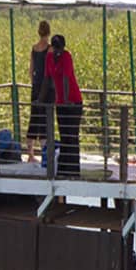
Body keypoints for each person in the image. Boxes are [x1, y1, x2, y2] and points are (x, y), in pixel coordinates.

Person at [44, 33, 84, 178]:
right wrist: (41, 98)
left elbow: (66, 78)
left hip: (73, 101)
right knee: (64, 136)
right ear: (52, 48)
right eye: (56, 49)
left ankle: (74, 170)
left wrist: (67, 99)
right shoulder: (49, 58)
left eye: (60, 49)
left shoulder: (66, 56)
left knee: (71, 135)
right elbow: (47, 79)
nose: (58, 52)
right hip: (60, 102)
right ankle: (63, 169)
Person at [25, 20, 52, 161]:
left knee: (34, 118)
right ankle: (44, 154)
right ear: (49, 32)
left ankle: (30, 153)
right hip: (45, 89)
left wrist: (34, 82)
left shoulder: (34, 48)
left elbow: (31, 70)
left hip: (35, 88)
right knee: (45, 120)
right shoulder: (50, 49)